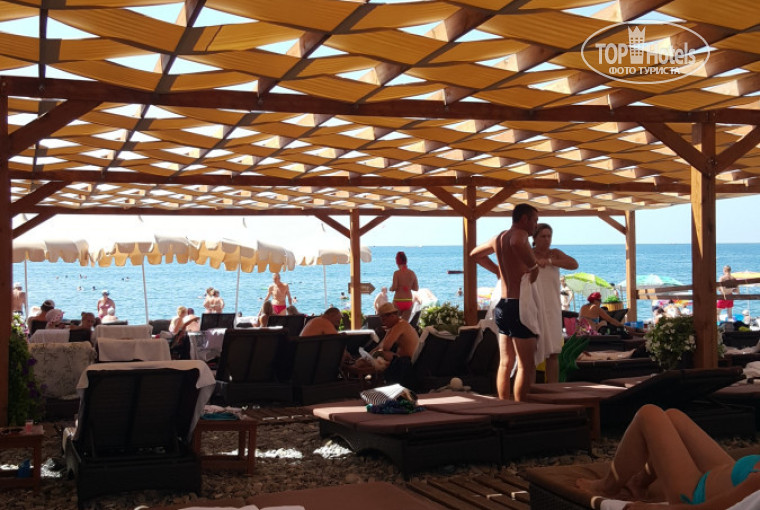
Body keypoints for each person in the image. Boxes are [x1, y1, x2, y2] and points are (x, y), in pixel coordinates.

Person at [577, 404, 760, 509]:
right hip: (730, 474)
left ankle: (607, 487)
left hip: (693, 494)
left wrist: (653, 508)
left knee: (648, 414)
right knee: (674, 416)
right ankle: (638, 483)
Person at [469, 203, 540, 401]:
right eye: (535, 221)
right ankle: (520, 409)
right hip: (519, 306)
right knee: (526, 365)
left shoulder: (498, 238)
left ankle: (503, 406)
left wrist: (498, 271)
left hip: (503, 305)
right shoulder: (519, 235)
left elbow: (475, 254)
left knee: (505, 362)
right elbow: (517, 242)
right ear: (524, 219)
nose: (536, 225)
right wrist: (533, 266)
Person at [531, 223, 578, 384]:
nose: (546, 239)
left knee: (553, 352)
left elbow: (573, 264)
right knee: (531, 352)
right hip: (533, 306)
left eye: (549, 236)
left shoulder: (555, 254)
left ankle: (552, 389)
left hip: (552, 307)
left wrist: (550, 261)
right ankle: (530, 390)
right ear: (534, 238)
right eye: (542, 236)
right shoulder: (529, 253)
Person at [370, 302, 420, 387]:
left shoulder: (400, 325)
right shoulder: (397, 325)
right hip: (404, 359)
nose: (383, 323)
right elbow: (380, 346)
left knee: (380, 354)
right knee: (376, 354)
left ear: (392, 316)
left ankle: (374, 382)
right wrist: (368, 355)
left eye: (384, 320)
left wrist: (372, 355)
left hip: (408, 362)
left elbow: (386, 347)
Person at [390, 251, 419, 321]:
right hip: (408, 301)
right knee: (404, 324)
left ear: (397, 262)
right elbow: (416, 288)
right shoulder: (412, 273)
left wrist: (390, 289)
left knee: (394, 323)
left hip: (398, 301)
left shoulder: (397, 273)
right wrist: (408, 286)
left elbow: (394, 287)